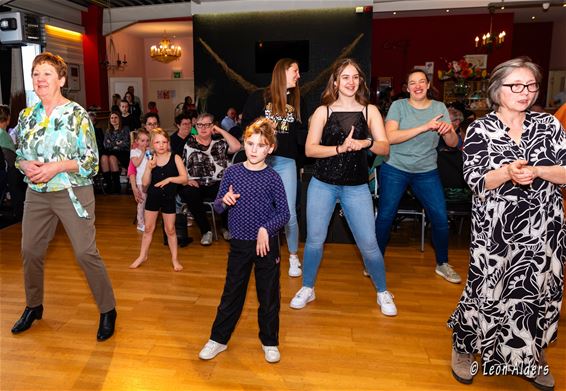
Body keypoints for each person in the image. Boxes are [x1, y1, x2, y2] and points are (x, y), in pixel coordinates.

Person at [447, 57, 566, 390]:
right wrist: (507, 172)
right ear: (497, 90)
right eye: (516, 85)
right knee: (487, 289)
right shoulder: (480, 129)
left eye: (530, 86)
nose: (524, 92)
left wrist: (540, 170)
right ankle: (464, 347)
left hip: (545, 226)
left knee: (538, 290)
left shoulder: (549, 125)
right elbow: (475, 180)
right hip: (496, 229)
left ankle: (531, 355)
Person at [10, 52, 116, 341]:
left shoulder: (77, 115)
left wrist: (58, 166)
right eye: (36, 74)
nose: (40, 79)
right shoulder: (27, 115)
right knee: (30, 251)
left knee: (84, 253)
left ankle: (108, 310)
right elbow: (20, 155)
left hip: (72, 192)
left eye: (46, 73)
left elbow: (92, 163)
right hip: (37, 193)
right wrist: (24, 164)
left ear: (61, 79)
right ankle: (34, 306)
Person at [289, 58, 397, 316]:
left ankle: (383, 291)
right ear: (335, 82)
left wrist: (364, 143)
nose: (351, 82)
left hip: (357, 187)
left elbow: (385, 147)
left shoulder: (369, 111)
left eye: (355, 77)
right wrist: (339, 148)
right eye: (345, 77)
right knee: (315, 241)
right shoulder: (322, 112)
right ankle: (308, 288)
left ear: (360, 81)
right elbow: (310, 150)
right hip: (323, 185)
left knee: (369, 243)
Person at [198, 117, 290, 363]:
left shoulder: (273, 178)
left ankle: (269, 341)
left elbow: (284, 213)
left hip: (266, 245)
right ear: (244, 144)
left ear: (270, 148)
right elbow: (217, 208)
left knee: (268, 294)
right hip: (239, 243)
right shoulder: (232, 172)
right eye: (250, 144)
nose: (254, 150)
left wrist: (266, 229)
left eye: (260, 145)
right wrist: (223, 201)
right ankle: (218, 340)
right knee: (232, 293)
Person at [374, 68, 461, 284]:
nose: (418, 86)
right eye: (413, 82)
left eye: (422, 81)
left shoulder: (439, 107)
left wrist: (446, 131)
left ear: (428, 85)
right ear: (407, 87)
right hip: (396, 167)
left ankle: (442, 263)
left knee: (440, 217)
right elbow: (389, 137)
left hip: (426, 170)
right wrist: (425, 127)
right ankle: (374, 262)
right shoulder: (399, 106)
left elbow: (452, 143)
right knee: (385, 215)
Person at [242, 57, 308, 278]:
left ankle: (292, 256)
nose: (299, 76)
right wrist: (263, 127)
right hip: (260, 161)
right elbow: (246, 128)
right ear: (282, 72)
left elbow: (301, 134)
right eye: (295, 71)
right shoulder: (259, 97)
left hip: (286, 162)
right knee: (259, 209)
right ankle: (260, 251)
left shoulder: (299, 101)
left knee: (287, 212)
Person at [130, 128, 188, 271]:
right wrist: (149, 168)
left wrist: (169, 179)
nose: (161, 145)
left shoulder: (175, 157)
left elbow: (184, 179)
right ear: (152, 144)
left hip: (168, 198)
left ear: (168, 143)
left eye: (164, 142)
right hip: (153, 197)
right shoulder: (150, 159)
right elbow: (144, 184)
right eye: (157, 142)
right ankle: (142, 255)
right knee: (148, 228)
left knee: (170, 229)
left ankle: (175, 259)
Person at [178, 113, 241, 245]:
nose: (203, 128)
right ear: (196, 126)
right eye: (200, 125)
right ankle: (206, 231)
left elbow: (236, 147)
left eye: (207, 124)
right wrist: (187, 179)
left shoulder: (219, 143)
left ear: (212, 126)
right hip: (197, 183)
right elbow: (182, 164)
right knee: (188, 192)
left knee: (227, 191)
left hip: (218, 182)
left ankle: (226, 227)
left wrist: (220, 130)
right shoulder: (189, 143)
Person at [100, 111, 130, 193]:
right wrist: (117, 143)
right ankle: (108, 183)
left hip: (122, 152)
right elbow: (106, 145)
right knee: (103, 158)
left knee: (112, 158)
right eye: (112, 118)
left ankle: (117, 184)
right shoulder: (108, 130)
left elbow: (126, 143)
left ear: (119, 119)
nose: (114, 119)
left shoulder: (125, 128)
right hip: (110, 151)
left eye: (116, 117)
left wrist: (112, 143)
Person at [130, 129, 150, 232]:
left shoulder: (149, 151)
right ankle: (140, 222)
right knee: (142, 202)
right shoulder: (134, 151)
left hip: (149, 180)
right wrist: (142, 153)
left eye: (147, 140)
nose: (145, 143)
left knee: (148, 202)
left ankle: (147, 221)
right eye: (142, 141)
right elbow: (136, 164)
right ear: (137, 141)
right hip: (140, 182)